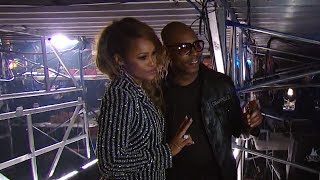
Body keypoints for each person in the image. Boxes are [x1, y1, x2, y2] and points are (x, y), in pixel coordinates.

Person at [161, 21, 263, 180]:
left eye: (196, 45)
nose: (194, 53)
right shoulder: (157, 93)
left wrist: (252, 122)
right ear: (166, 53)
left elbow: (239, 129)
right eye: (184, 48)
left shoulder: (220, 85)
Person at [95, 18, 194, 179]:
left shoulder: (139, 88)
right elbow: (110, 164)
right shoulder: (121, 95)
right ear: (119, 59)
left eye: (153, 54)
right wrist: (168, 150)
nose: (153, 62)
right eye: (143, 57)